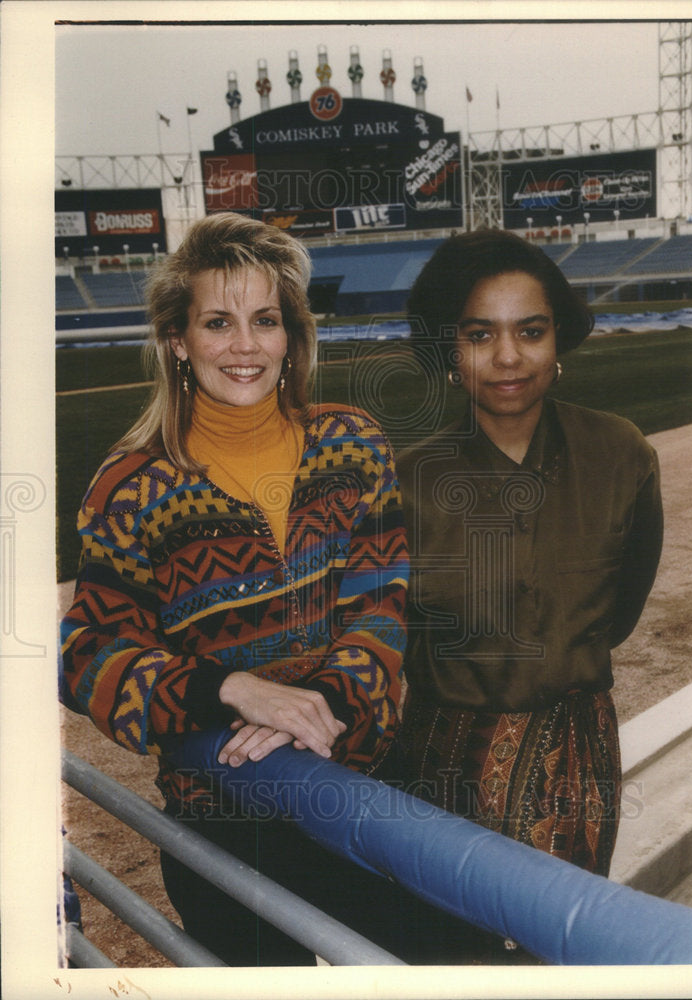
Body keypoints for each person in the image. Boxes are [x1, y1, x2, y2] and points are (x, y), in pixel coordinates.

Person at [60, 212, 434, 965]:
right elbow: (87, 656)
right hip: (227, 820)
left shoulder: (354, 443)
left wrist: (323, 699)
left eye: (265, 321)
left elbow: (382, 603)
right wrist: (232, 689)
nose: (244, 346)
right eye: (217, 322)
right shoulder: (130, 487)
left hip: (364, 787)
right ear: (177, 340)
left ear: (291, 336)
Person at [396, 229, 663, 959]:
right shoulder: (406, 480)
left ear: (558, 340)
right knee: (446, 954)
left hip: (573, 763)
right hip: (438, 771)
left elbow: (622, 604)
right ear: (447, 350)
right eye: (479, 334)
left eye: (530, 331)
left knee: (557, 953)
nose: (507, 358)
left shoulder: (621, 454)